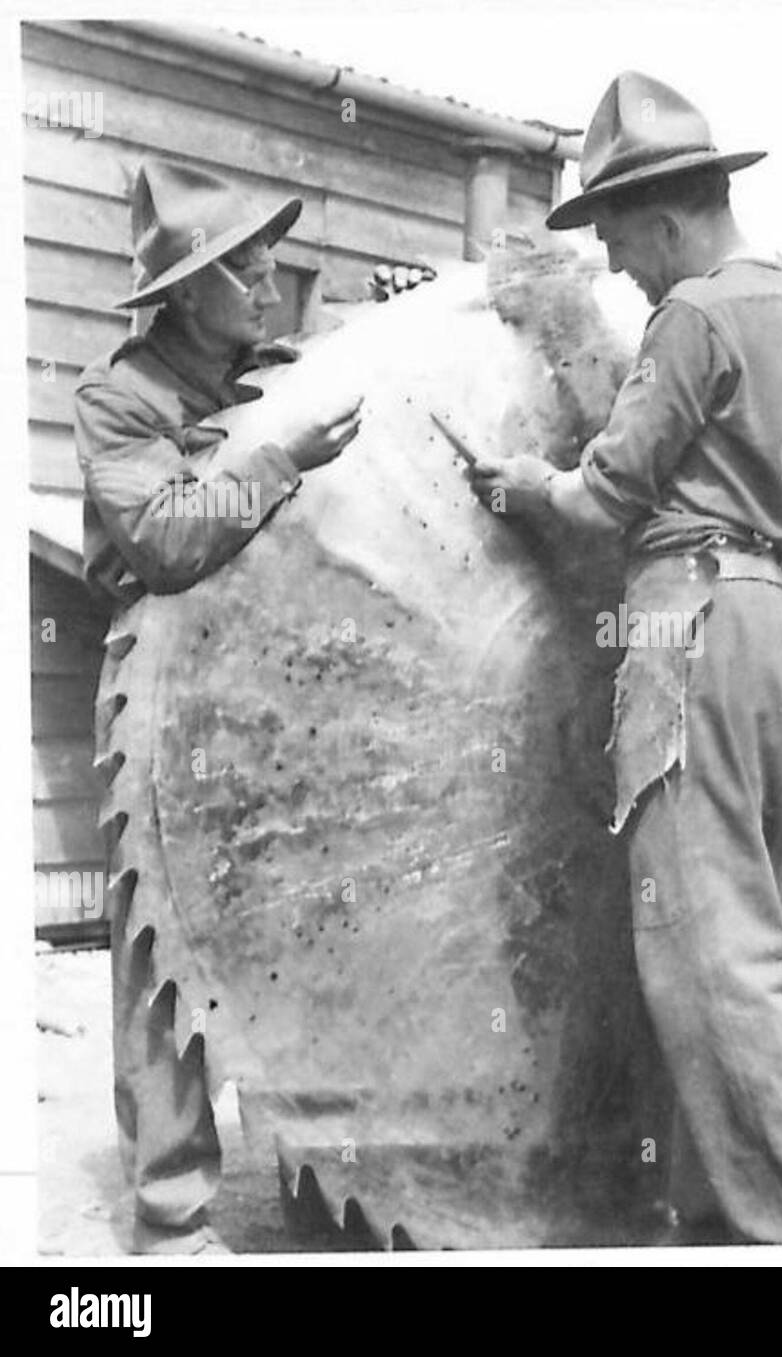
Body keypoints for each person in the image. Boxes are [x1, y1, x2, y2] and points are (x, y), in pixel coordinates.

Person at [469, 72, 782, 1245]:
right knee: (751, 945)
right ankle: (716, 1224)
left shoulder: (693, 315)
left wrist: (525, 486)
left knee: (711, 971)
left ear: (664, 212)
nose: (621, 269)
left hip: (693, 633)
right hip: (779, 636)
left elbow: (608, 497)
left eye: (617, 240)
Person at [74, 159, 366, 1253]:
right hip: (159, 704)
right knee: (164, 948)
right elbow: (163, 544)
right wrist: (273, 454)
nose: (264, 285)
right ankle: (172, 1207)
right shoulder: (120, 402)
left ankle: (312, 1174)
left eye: (266, 265)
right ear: (182, 291)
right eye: (240, 271)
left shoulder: (272, 369)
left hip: (277, 690)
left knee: (304, 930)